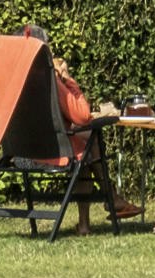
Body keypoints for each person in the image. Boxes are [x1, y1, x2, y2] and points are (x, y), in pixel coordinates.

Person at [24, 24, 137, 233]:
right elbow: (82, 115)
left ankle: (86, 223)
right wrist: (67, 78)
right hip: (49, 153)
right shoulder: (48, 78)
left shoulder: (13, 80)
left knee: (85, 144)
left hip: (20, 152)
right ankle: (112, 198)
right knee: (90, 139)